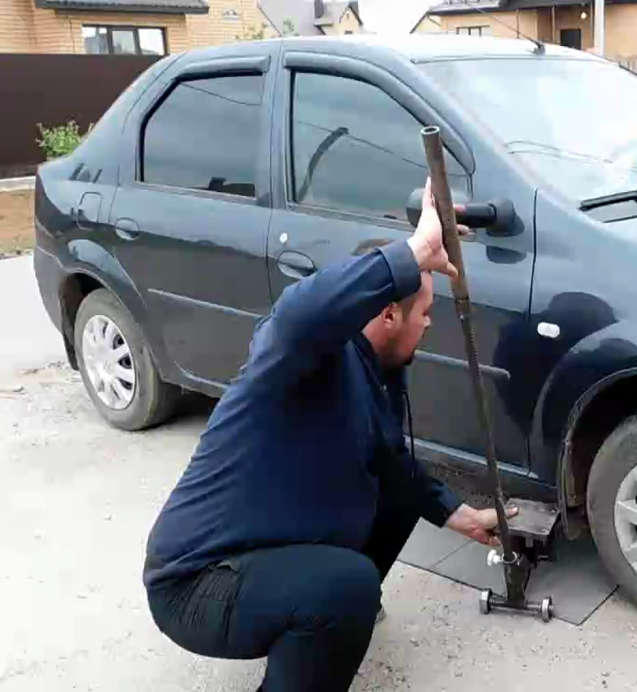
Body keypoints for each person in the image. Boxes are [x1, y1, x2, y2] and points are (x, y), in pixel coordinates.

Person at [142, 178, 509, 692]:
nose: (428, 325)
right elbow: (298, 313)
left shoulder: (376, 372)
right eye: (424, 313)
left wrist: (459, 515)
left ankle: (325, 616)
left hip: (259, 552)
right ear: (386, 314)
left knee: (395, 494)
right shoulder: (304, 356)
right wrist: (416, 252)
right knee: (346, 589)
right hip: (196, 583)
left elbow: (391, 461)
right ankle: (327, 608)